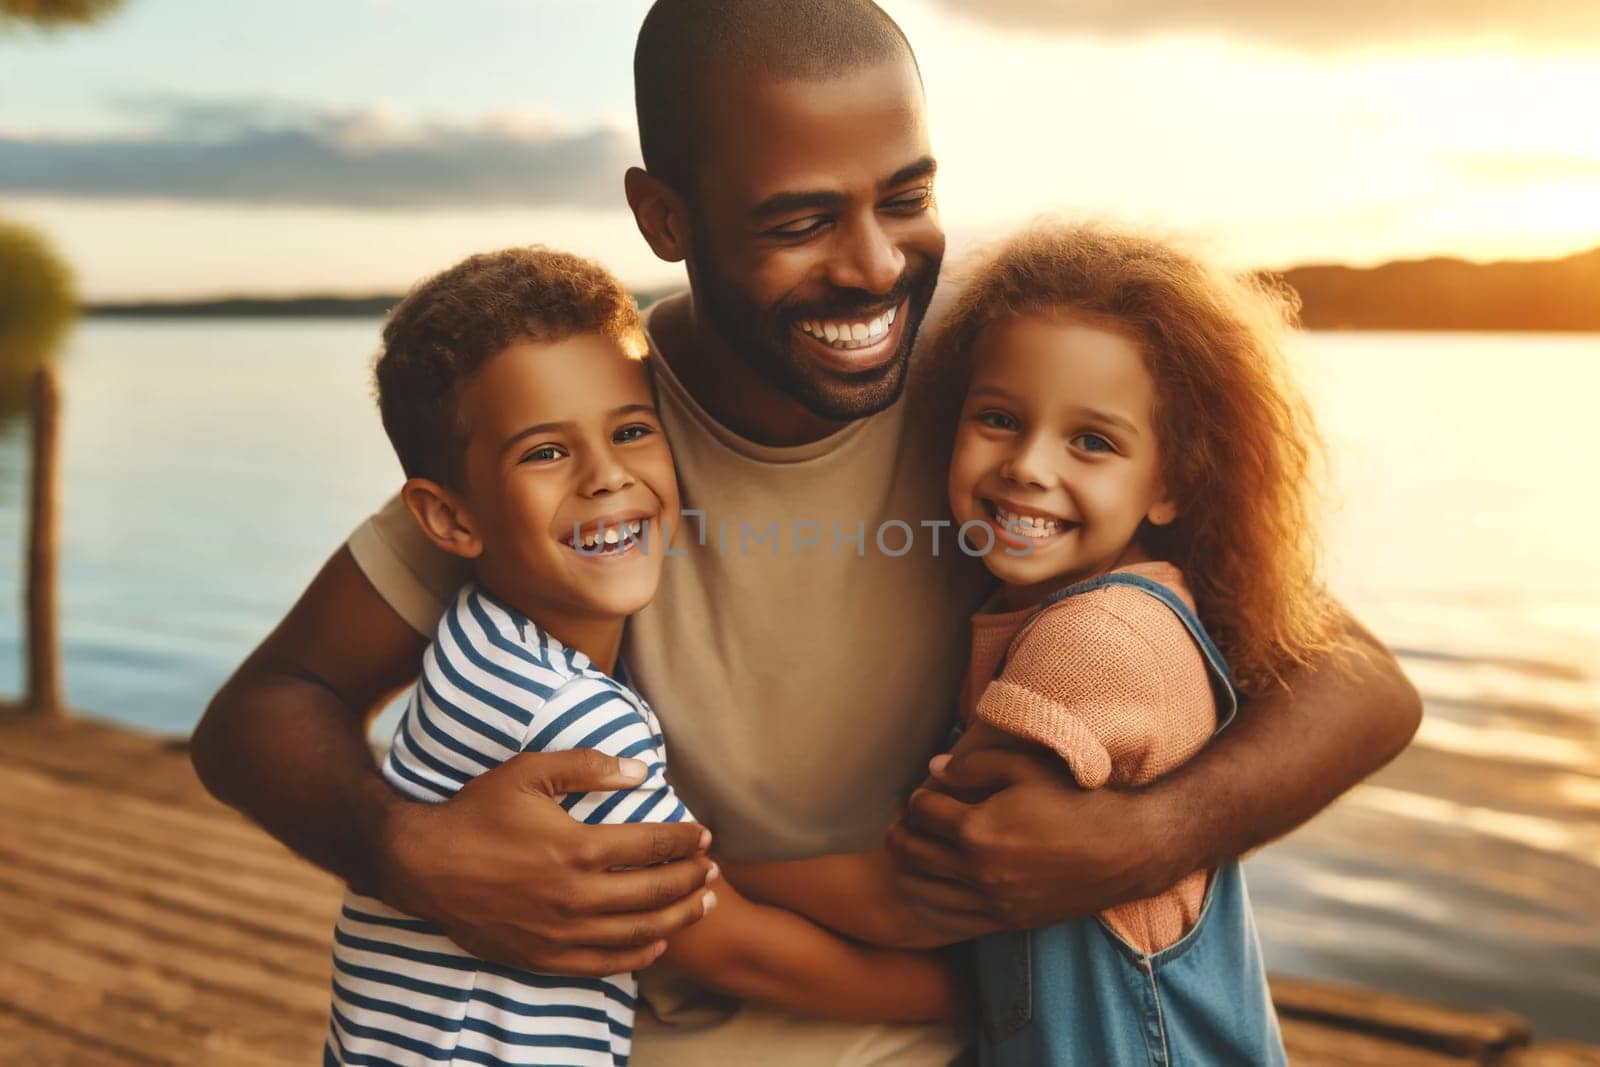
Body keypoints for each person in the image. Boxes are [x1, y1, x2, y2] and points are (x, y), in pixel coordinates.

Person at [192, 2, 1421, 1063]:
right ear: (663, 214)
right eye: (798, 221)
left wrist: (1139, 839)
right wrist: (408, 849)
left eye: (910, 196)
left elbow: (1357, 682)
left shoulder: (996, 407)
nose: (876, 266)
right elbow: (267, 706)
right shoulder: (594, 440)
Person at [724, 223, 1347, 1063]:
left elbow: (909, 893)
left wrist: (706, 877)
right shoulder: (1070, 606)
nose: (1028, 465)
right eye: (999, 419)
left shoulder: (1098, 641)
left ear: (1167, 483)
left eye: (1091, 441)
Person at [325, 246, 957, 1066]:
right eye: (545, 452)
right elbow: (731, 945)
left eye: (629, 431)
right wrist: (962, 995)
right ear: (447, 519)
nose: (606, 478)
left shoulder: (477, 638)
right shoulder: (568, 718)